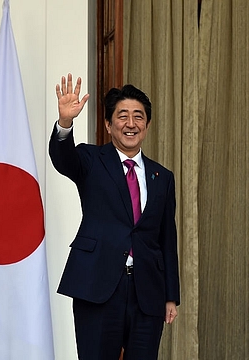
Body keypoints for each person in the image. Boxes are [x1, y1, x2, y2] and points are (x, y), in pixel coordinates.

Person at [49, 73, 180, 360]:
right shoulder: (91, 160)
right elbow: (63, 158)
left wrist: (171, 295)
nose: (130, 123)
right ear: (109, 124)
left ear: (146, 125)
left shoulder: (162, 177)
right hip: (97, 285)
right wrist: (65, 123)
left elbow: (166, 238)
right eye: (122, 116)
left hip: (147, 291)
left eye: (138, 116)